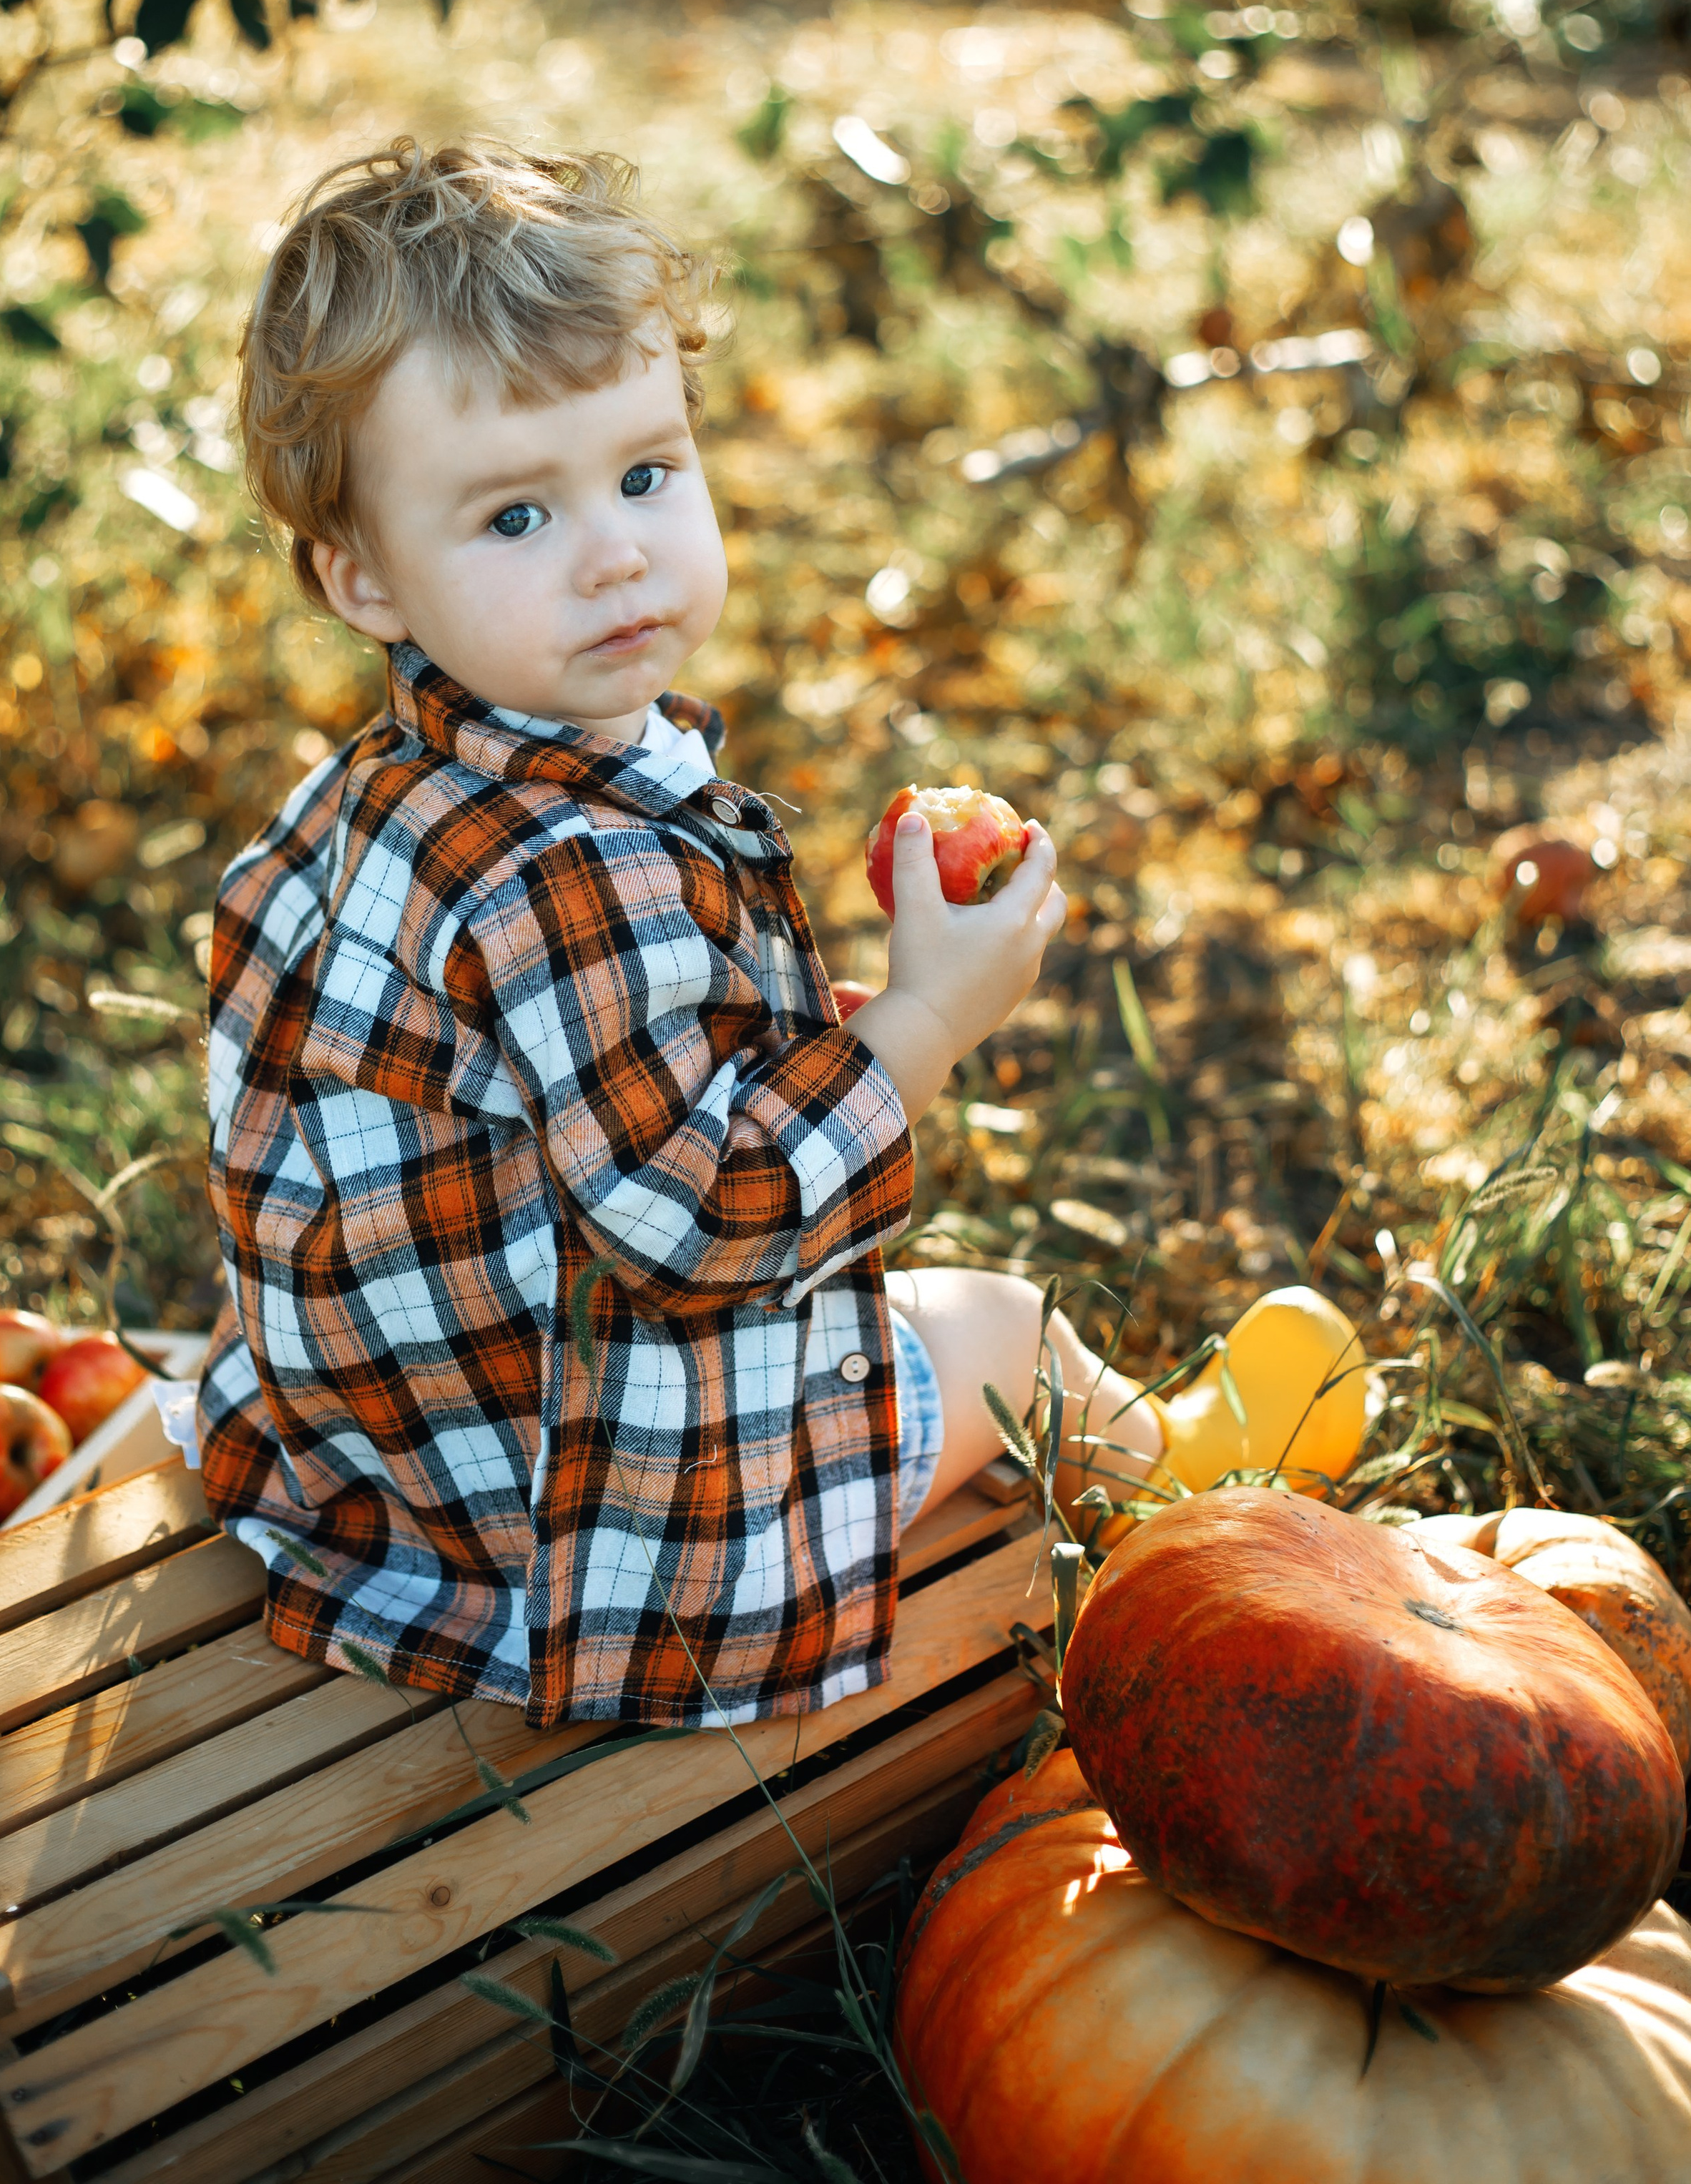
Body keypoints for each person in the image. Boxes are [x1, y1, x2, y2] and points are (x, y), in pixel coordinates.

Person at [197, 137, 1163, 1731]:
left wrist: (786, 1034)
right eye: (515, 517)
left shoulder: (392, 793)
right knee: (1010, 1328)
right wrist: (921, 1023)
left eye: (644, 474)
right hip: (588, 1537)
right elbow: (701, 1222)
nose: (614, 551)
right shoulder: (572, 873)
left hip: (383, 1460)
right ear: (359, 574)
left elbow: (557, 1088)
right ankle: (1231, 1530)